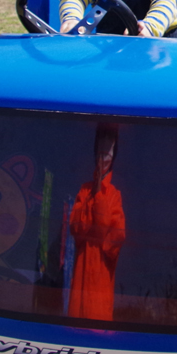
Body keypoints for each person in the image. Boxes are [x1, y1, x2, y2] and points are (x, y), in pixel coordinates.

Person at [68, 122, 126, 321]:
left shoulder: (114, 195)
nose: (103, 158)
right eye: (100, 152)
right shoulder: (84, 191)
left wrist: (100, 196)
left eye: (108, 153)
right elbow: (76, 228)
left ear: (114, 156)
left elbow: (114, 241)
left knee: (96, 326)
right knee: (75, 324)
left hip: (101, 278)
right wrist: (93, 194)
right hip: (81, 274)